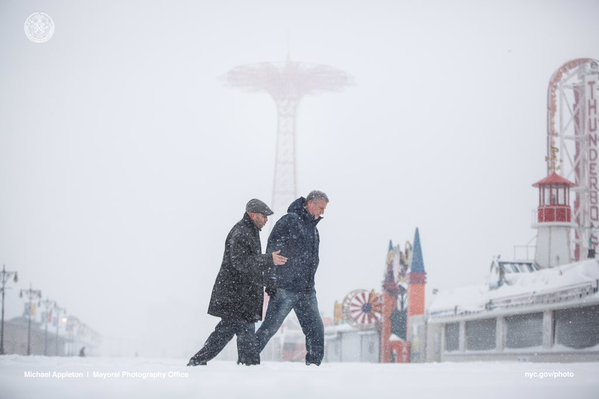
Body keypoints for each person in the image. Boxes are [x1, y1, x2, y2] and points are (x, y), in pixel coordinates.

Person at [187, 199, 287, 366]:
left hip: (242, 298)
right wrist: (269, 259)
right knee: (232, 335)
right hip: (236, 297)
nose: (266, 219)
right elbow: (242, 263)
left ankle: (202, 362)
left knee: (228, 334)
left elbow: (250, 266)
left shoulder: (250, 230)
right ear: (253, 215)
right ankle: (201, 362)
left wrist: (268, 281)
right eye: (264, 216)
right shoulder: (241, 232)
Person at [256, 190, 329, 366]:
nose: (322, 212)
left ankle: (314, 366)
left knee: (316, 331)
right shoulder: (289, 221)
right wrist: (271, 280)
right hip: (285, 287)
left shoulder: (313, 229)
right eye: (320, 207)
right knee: (270, 328)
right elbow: (272, 250)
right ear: (310, 203)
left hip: (306, 290)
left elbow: (312, 259)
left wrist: (310, 282)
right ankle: (247, 357)